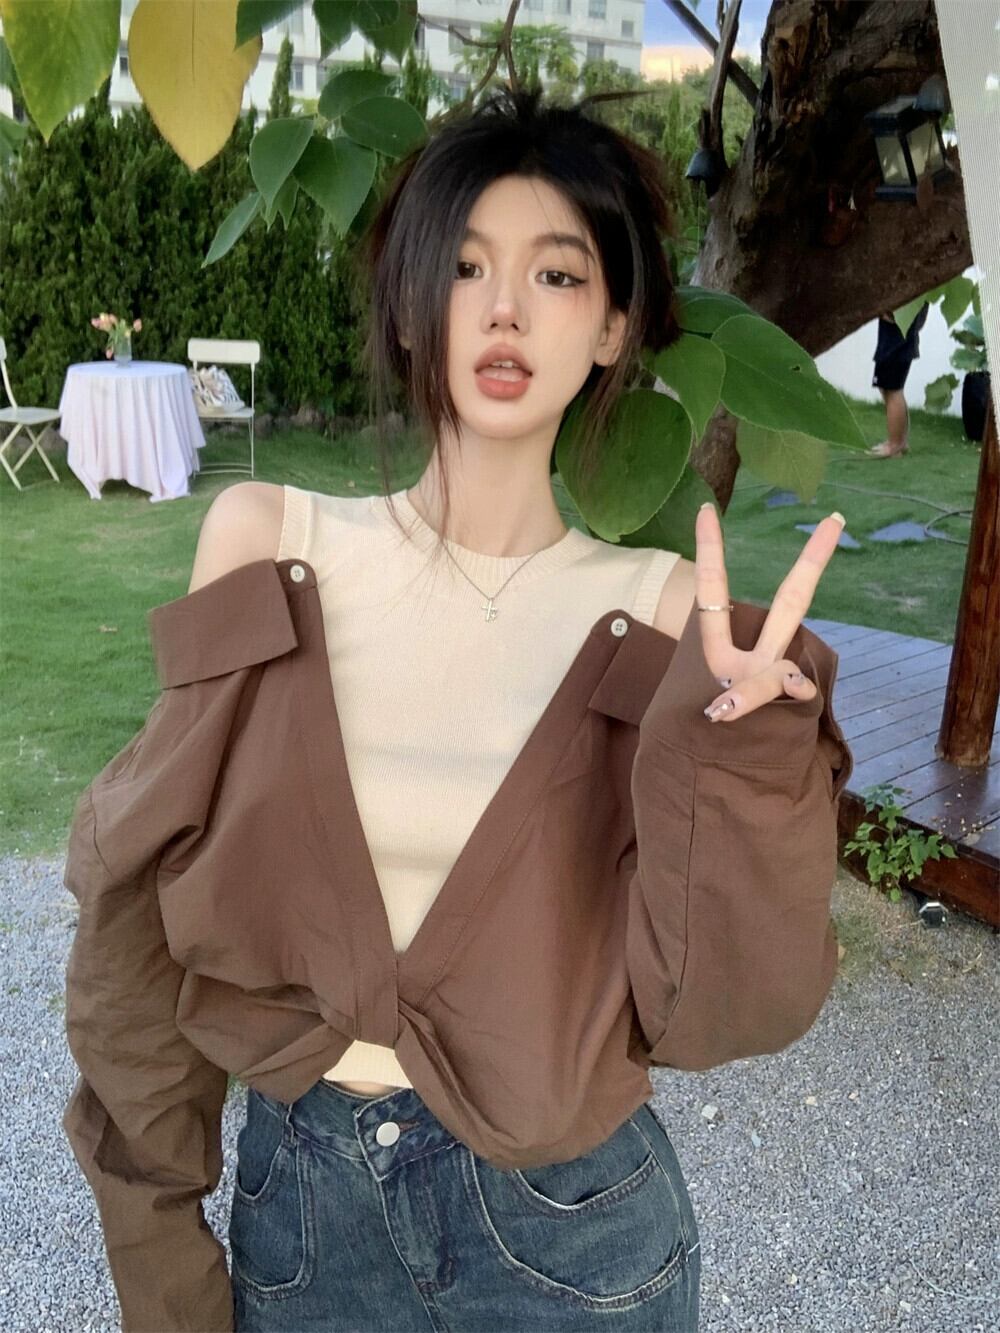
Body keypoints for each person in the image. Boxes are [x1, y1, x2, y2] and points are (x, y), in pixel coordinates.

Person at [61, 86, 853, 1332]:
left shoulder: (663, 620)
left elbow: (718, 1011)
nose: (503, 308)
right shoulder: (264, 544)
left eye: (557, 274)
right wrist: (159, 1259)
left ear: (613, 327)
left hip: (571, 1240)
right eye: (467, 265)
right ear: (410, 308)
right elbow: (131, 926)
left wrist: (746, 763)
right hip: (301, 1221)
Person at [869, 301, 930, 457]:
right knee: (889, 388)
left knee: (892, 390)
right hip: (898, 339)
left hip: (895, 342)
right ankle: (899, 442)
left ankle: (895, 445)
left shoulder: (908, 298)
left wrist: (884, 310)